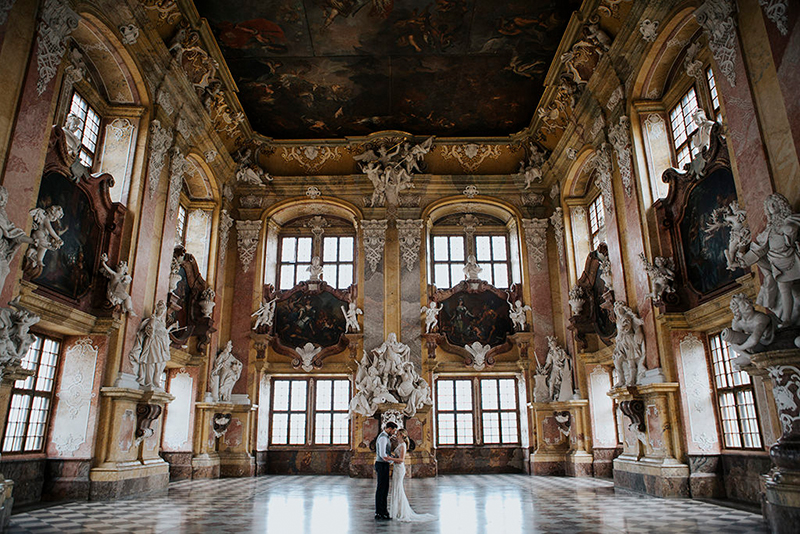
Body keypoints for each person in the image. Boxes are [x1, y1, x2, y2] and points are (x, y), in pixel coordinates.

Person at [388, 429, 435, 522]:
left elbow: (401, 460)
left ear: (401, 435)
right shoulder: (400, 445)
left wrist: (389, 458)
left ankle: (401, 511)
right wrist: (392, 457)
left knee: (398, 488)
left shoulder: (403, 445)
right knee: (397, 488)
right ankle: (397, 510)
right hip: (397, 468)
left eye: (397, 434)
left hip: (399, 468)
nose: (396, 435)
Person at [375, 421, 397, 520]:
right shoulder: (383, 438)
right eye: (393, 430)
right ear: (389, 429)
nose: (394, 433)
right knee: (381, 489)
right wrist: (393, 461)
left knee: (384, 489)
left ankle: (383, 511)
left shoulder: (385, 437)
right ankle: (380, 512)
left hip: (384, 465)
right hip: (382, 465)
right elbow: (383, 455)